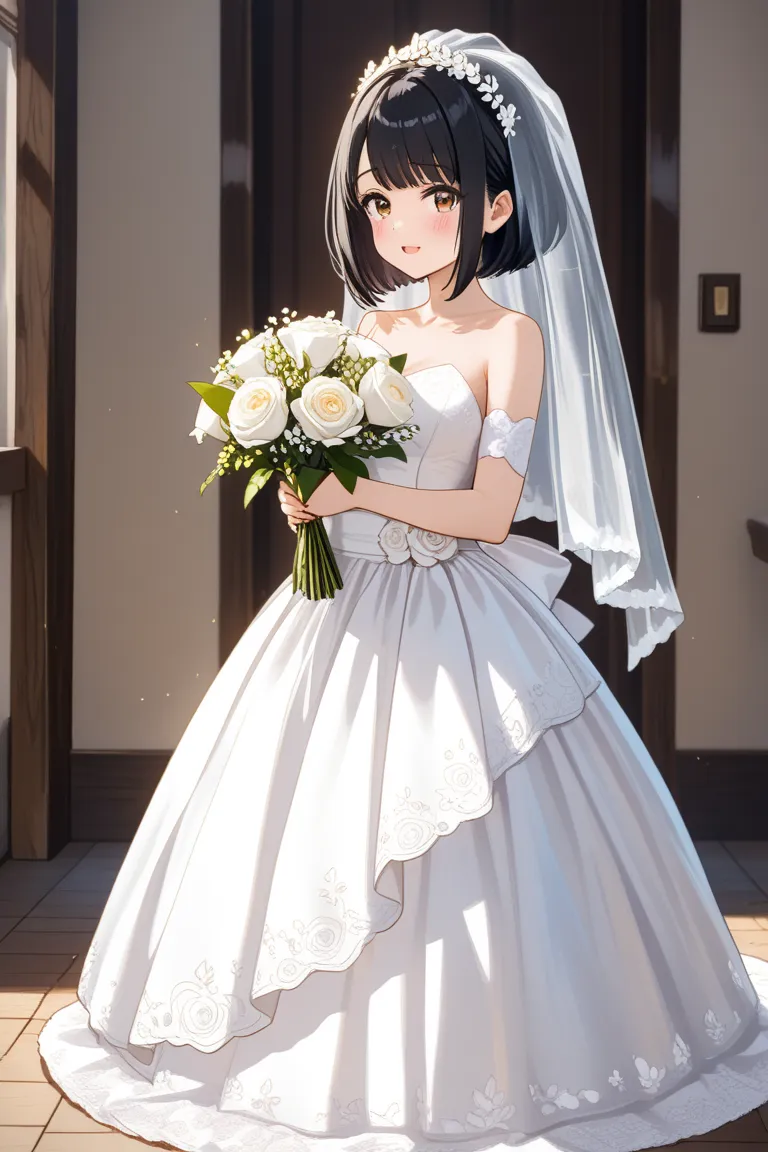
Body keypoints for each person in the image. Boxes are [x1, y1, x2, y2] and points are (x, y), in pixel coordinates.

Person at [39, 28, 768, 1152]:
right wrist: (303, 496)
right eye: (380, 201)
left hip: (462, 614)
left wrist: (353, 500)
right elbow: (337, 476)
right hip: (335, 621)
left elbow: (487, 510)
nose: (400, 225)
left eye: (430, 194)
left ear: (490, 206)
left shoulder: (510, 340)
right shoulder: (364, 327)